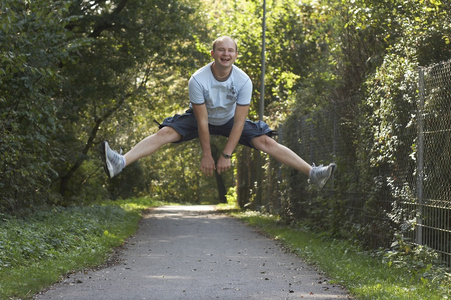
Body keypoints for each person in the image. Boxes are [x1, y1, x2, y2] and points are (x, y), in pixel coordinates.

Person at [101, 36, 336, 188]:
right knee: (165, 133)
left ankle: (313, 173)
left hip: (231, 120)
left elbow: (239, 123)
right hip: (201, 118)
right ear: (212, 54)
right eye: (221, 50)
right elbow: (203, 123)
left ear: (235, 55)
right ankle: (121, 161)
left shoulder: (244, 81)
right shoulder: (198, 80)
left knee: (265, 141)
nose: (226, 54)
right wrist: (207, 155)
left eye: (230, 50)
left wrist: (225, 155)